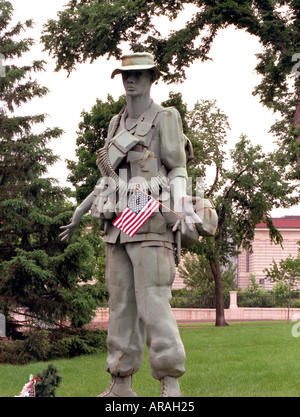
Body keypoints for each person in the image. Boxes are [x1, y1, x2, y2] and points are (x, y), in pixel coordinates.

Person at [60, 52, 202, 397]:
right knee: (121, 303)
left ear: (152, 77)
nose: (130, 79)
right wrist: (79, 214)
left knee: (154, 302)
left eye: (138, 74)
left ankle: (170, 382)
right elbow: (108, 178)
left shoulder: (165, 117)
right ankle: (120, 383)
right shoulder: (114, 124)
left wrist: (183, 204)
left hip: (151, 215)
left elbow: (177, 167)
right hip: (119, 221)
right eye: (125, 74)